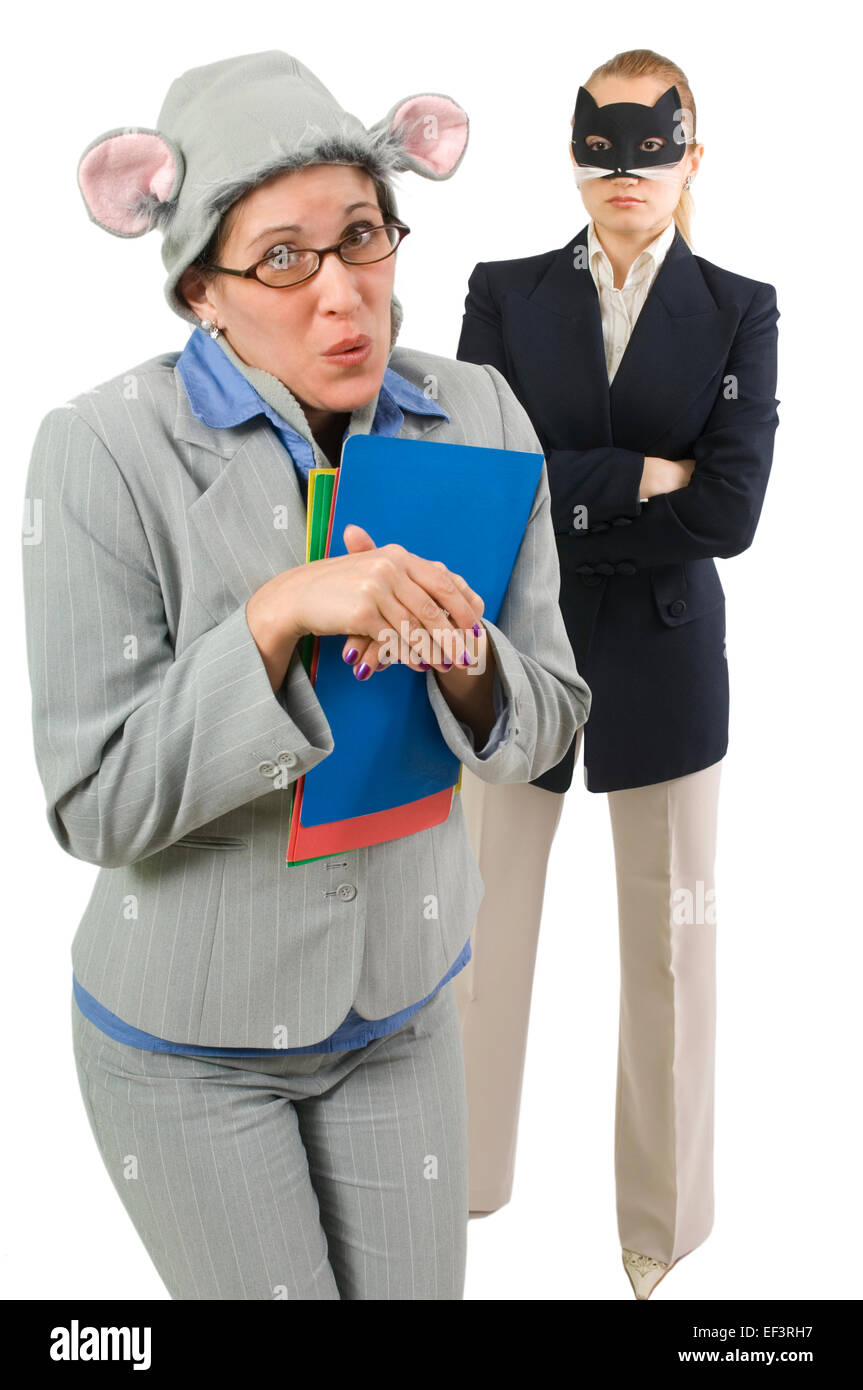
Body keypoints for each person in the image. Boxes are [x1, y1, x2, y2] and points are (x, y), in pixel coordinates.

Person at [21, 50, 590, 1300]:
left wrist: (471, 662)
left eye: (363, 238)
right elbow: (93, 803)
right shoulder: (100, 451)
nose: (345, 296)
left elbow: (548, 719)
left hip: (404, 1004)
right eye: (283, 258)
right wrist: (275, 616)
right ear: (198, 295)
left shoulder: (481, 408)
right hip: (192, 1043)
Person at [453, 47, 780, 1298]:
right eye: (603, 145)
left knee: (669, 951)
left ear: (691, 158)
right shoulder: (502, 291)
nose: (625, 172)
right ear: (574, 152)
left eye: (652, 148)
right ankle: (467, 1178)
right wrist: (646, 476)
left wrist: (564, 485)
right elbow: (488, 481)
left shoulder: (740, 307)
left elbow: (734, 510)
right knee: (476, 930)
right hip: (514, 653)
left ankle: (662, 1225)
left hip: (663, 661)